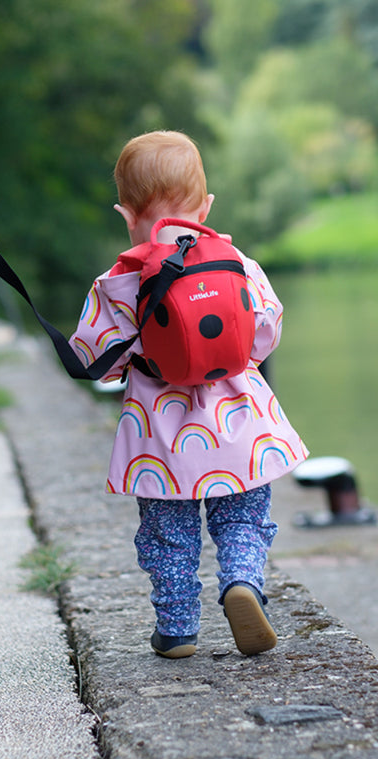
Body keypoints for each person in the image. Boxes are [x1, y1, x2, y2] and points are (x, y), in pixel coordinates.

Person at [70, 131, 308, 659]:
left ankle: (178, 628)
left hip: (162, 442)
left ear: (126, 214)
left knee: (167, 536)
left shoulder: (118, 280)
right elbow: (266, 332)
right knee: (244, 518)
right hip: (241, 429)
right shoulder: (237, 263)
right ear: (206, 206)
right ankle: (242, 581)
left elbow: (93, 358)